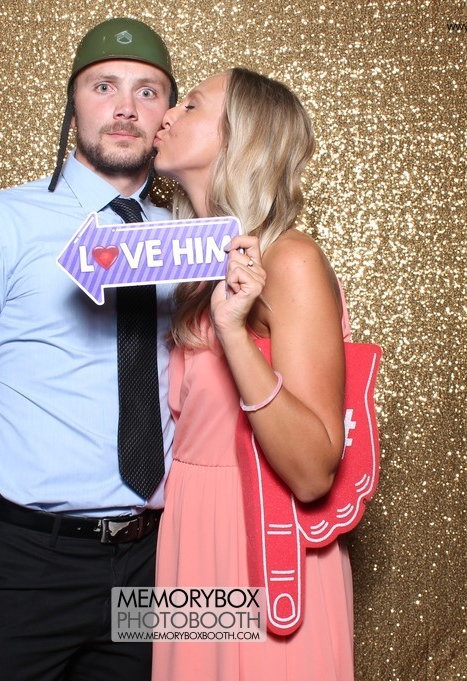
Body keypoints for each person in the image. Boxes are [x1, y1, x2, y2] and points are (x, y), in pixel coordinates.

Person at [0, 18, 178, 680]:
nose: (126, 108)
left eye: (148, 91)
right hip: (25, 561)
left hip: (157, 560)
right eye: (104, 86)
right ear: (73, 103)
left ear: (167, 114)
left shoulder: (196, 238)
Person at [150, 68, 354, 679]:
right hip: (188, 540)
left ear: (242, 138)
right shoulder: (194, 271)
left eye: (190, 105)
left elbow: (314, 471)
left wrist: (234, 334)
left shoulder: (290, 259)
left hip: (262, 543)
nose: (166, 114)